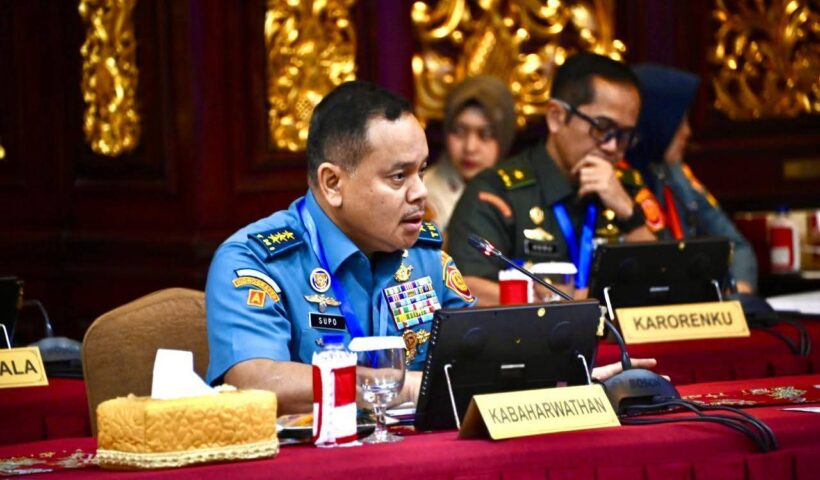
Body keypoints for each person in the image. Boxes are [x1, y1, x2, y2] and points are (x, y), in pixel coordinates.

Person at [205, 80, 658, 414]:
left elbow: (481, 358)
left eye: (421, 171)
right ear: (332, 183)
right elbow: (256, 381)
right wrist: (399, 386)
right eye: (398, 177)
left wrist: (557, 378)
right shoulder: (256, 260)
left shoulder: (427, 257)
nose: (421, 192)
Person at [447, 53, 660, 306]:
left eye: (624, 135)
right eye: (602, 128)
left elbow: (664, 280)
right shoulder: (496, 190)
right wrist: (567, 302)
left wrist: (629, 214)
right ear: (556, 117)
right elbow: (465, 286)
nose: (613, 146)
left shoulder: (628, 187)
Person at [626, 64, 758, 293]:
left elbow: (736, 246)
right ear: (654, 119)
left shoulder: (676, 174)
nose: (687, 132)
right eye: (678, 122)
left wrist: (741, 290)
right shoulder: (613, 179)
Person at [424, 76, 517, 231]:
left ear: (504, 136)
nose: (470, 147)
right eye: (459, 131)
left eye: (485, 134)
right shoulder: (422, 193)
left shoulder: (521, 193)